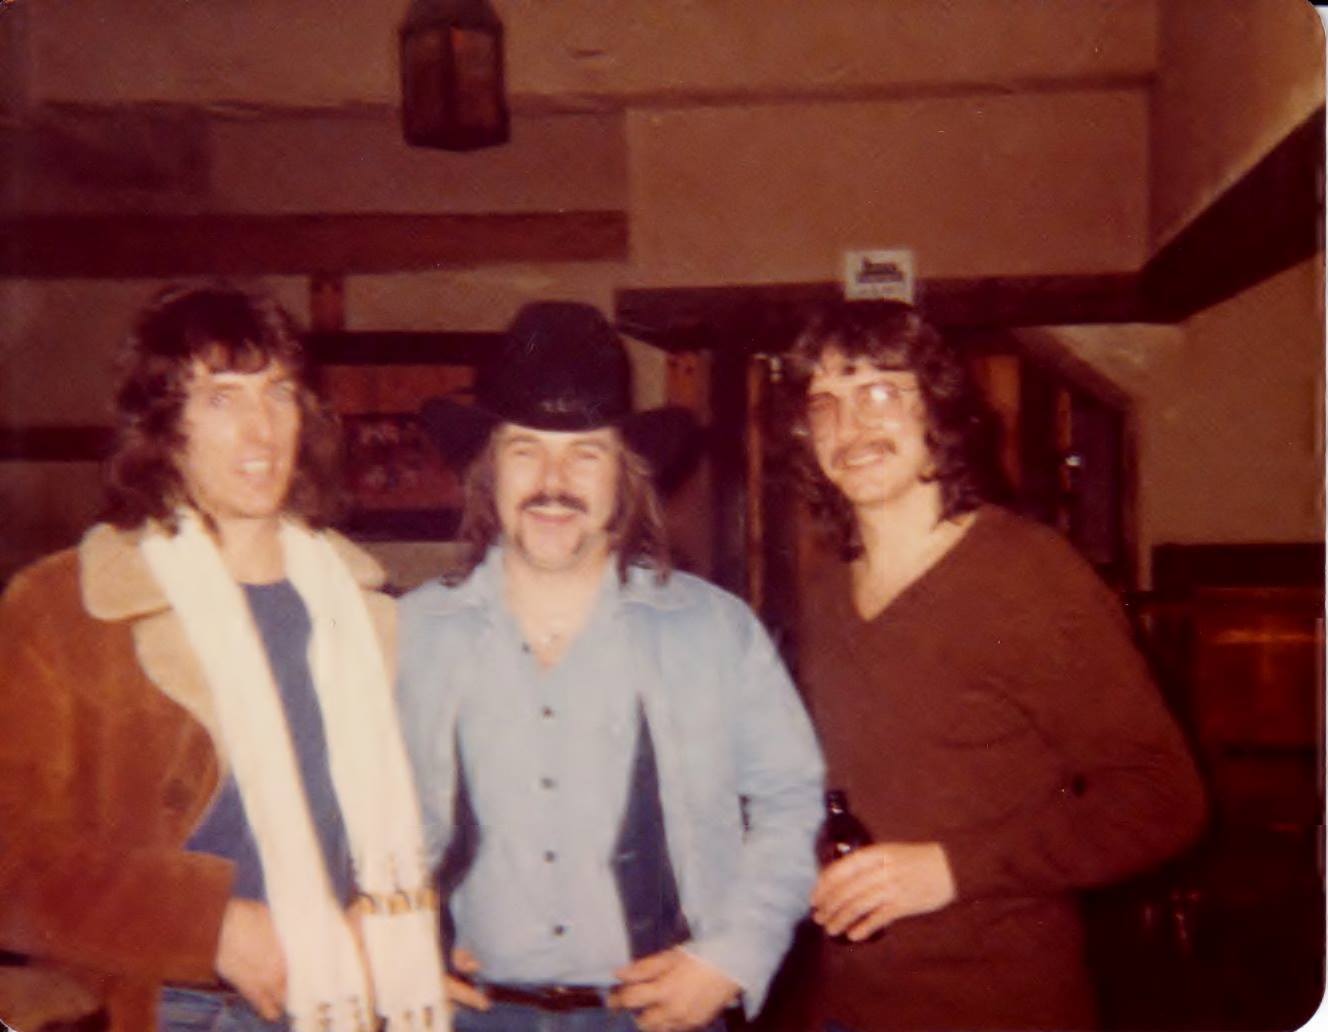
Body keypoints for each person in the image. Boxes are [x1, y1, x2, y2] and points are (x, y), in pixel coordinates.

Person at [0, 284, 447, 1032]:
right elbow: (11, 859)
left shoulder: (370, 616)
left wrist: (390, 911)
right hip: (163, 1005)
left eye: (278, 394)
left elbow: (426, 818)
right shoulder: (64, 610)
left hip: (343, 1002)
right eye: (220, 399)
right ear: (163, 425)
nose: (260, 429)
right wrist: (210, 926)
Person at [398, 301, 825, 1032]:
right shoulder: (408, 633)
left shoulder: (715, 631)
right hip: (467, 1016)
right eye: (525, 450)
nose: (553, 481)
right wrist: (390, 945)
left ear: (626, 477)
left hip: (662, 1016)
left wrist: (736, 954)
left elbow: (790, 801)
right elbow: (346, 819)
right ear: (488, 472)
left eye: (586, 454)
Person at [782, 301, 1206, 1031]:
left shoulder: (1029, 576)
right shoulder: (822, 596)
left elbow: (1162, 798)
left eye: (879, 391)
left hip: (998, 1003)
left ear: (939, 411)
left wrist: (952, 869)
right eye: (825, 404)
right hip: (846, 1006)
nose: (848, 426)